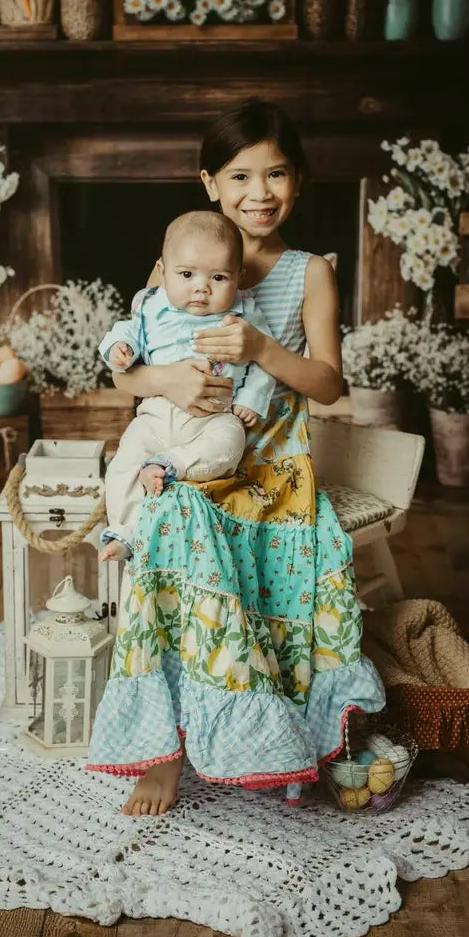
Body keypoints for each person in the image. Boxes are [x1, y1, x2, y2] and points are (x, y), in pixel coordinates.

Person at [85, 97, 386, 815]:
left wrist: (262, 350)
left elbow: (330, 383)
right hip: (179, 433)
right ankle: (165, 750)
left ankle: (270, 731)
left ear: (300, 181)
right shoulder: (187, 255)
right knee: (167, 517)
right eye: (241, 176)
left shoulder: (307, 271)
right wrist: (165, 379)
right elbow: (128, 366)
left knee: (195, 514)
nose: (260, 193)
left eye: (276, 175)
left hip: (266, 450)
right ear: (210, 183)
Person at [97, 210, 277, 562]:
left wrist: (253, 398)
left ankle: (169, 465)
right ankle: (124, 532)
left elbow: (264, 361)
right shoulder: (149, 304)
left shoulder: (244, 312)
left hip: (214, 416)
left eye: (219, 277)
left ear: (238, 279)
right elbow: (125, 332)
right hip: (155, 413)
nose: (201, 287)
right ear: (163, 272)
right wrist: (119, 349)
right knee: (123, 462)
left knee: (229, 444)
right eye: (187, 274)